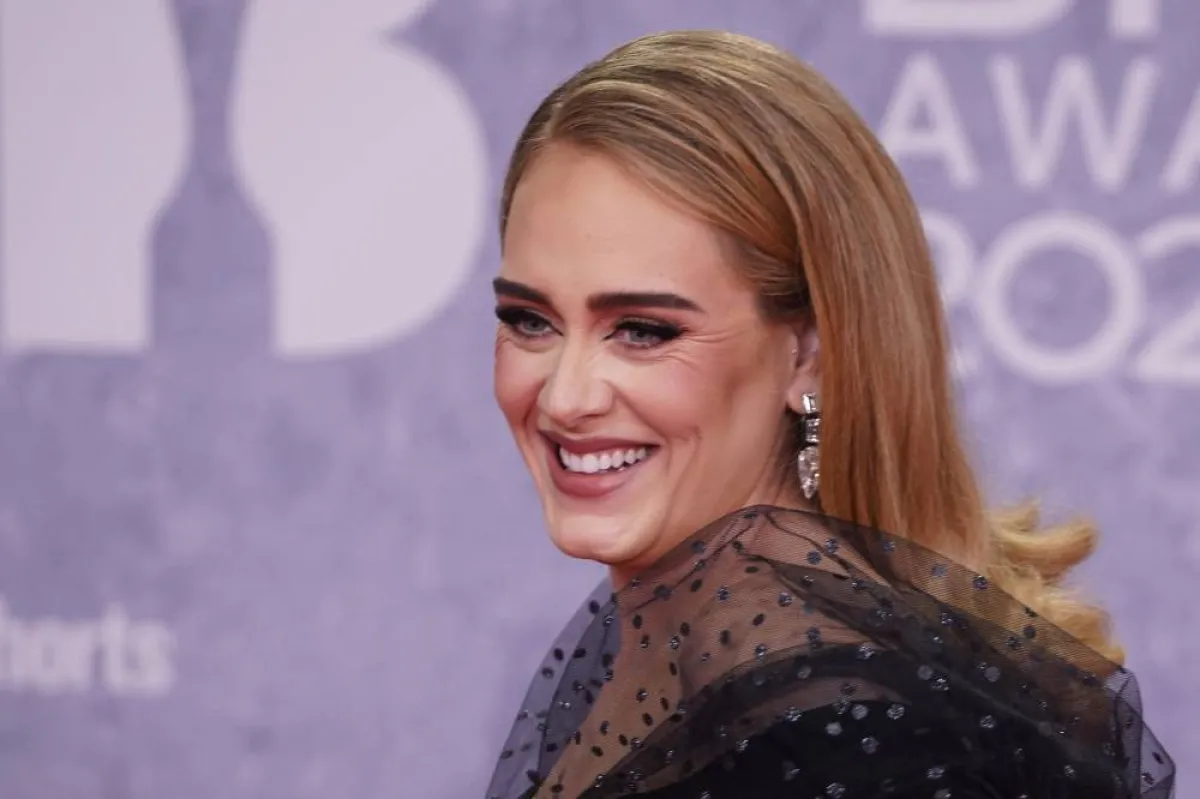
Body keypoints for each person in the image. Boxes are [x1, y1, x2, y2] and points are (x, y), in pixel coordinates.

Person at [484, 30, 1174, 798]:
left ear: (810, 352)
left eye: (644, 330)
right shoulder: (686, 644)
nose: (565, 396)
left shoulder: (848, 747)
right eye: (529, 320)